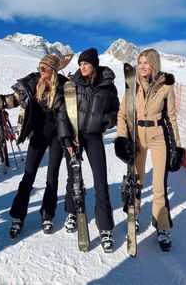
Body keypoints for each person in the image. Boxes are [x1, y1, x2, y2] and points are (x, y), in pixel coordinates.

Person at [0, 54, 68, 237]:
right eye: (40, 67)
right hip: (38, 136)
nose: (41, 71)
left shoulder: (64, 86)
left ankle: (47, 214)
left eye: (45, 68)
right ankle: (18, 216)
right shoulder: (32, 83)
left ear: (53, 70)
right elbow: (10, 100)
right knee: (28, 176)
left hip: (57, 137)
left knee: (52, 177)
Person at [115, 48, 182, 252]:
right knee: (136, 181)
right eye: (140, 62)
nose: (142, 66)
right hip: (137, 135)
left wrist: (176, 147)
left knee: (159, 185)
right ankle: (133, 217)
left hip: (158, 136)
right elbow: (122, 115)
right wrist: (121, 138)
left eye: (146, 62)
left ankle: (162, 227)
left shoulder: (166, 86)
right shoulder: (131, 86)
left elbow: (171, 118)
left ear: (154, 64)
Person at [56, 48, 120, 252]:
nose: (82, 67)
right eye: (80, 64)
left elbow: (115, 110)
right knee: (73, 178)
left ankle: (105, 227)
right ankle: (73, 212)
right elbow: (63, 112)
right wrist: (66, 138)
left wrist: (106, 120)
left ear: (94, 64)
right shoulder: (72, 84)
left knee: (100, 180)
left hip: (93, 136)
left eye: (86, 64)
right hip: (74, 136)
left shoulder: (108, 87)